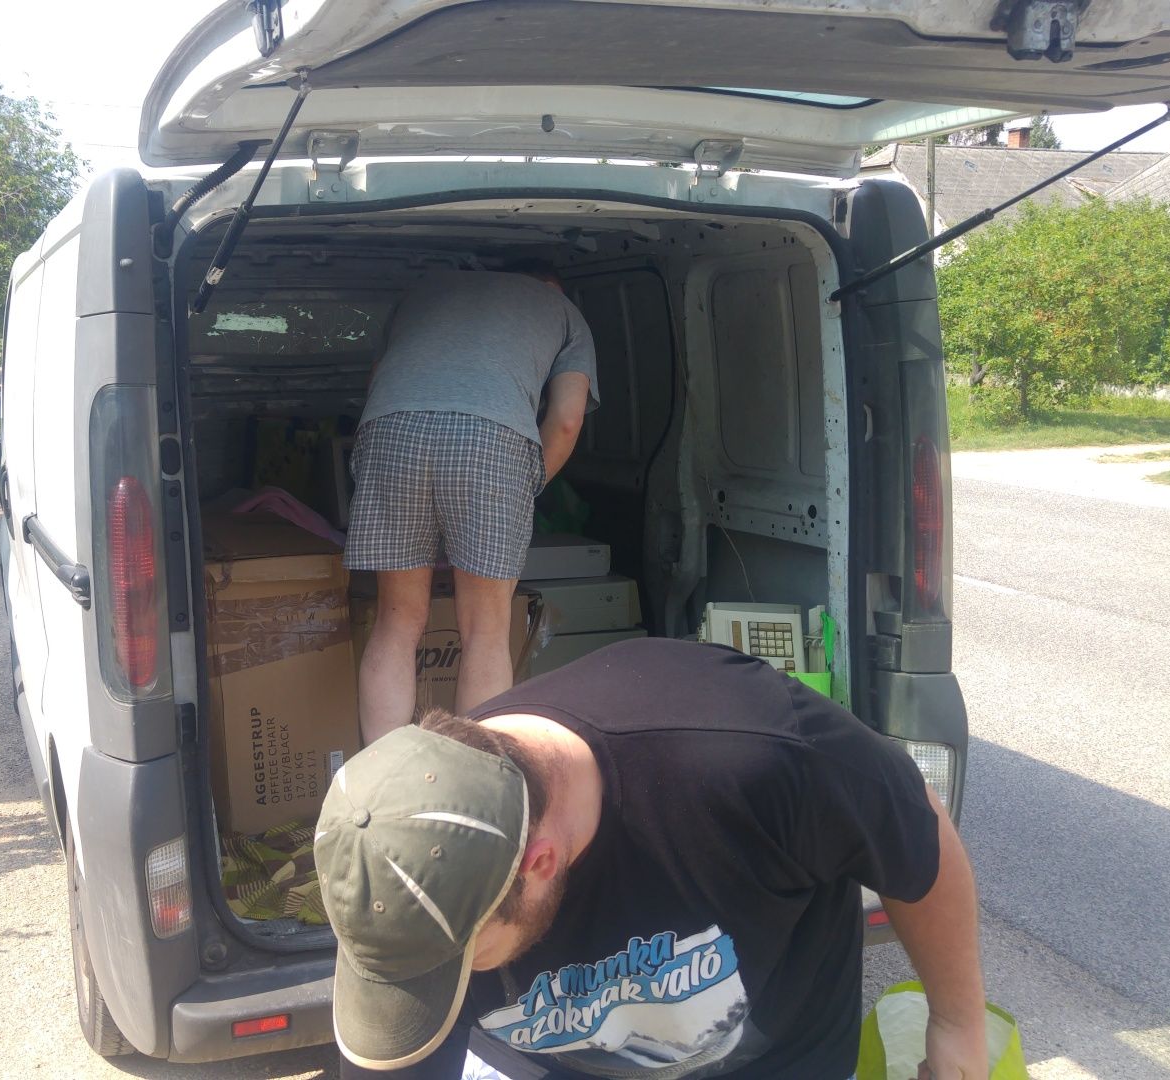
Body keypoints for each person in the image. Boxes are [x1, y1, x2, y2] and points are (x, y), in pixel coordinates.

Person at [313, 638, 989, 1080]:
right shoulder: (403, 868)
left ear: (539, 865)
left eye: (464, 964)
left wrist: (957, 1023)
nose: (448, 985)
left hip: (772, 1058)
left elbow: (914, 833)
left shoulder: (751, 755)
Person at [347, 261, 597, 744]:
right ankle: (473, 773)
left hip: (391, 431)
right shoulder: (563, 311)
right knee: (485, 629)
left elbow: (376, 383)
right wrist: (524, 486)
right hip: (492, 440)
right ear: (553, 286)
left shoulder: (425, 290)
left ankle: (383, 771)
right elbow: (567, 421)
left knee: (396, 622)